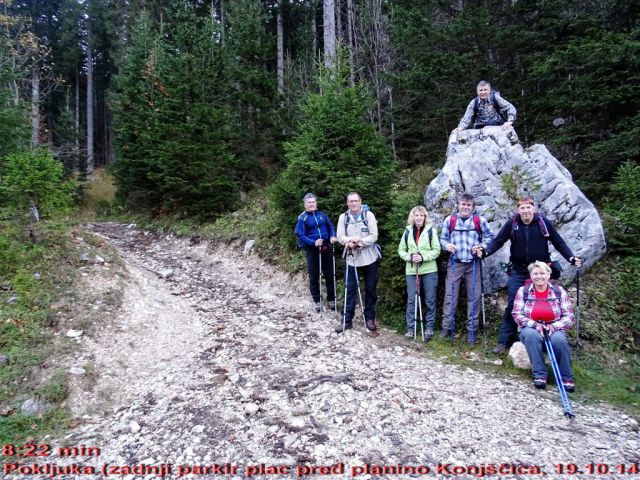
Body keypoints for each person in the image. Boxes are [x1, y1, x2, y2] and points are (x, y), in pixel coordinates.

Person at [479, 197, 583, 354]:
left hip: (540, 271)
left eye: (528, 207)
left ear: (533, 209)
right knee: (514, 304)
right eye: (522, 208)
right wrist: (486, 252)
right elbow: (498, 241)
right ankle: (504, 341)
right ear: (518, 210)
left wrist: (571, 258)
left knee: (545, 304)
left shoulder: (542, 223)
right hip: (519, 271)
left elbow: (559, 242)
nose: (526, 211)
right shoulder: (513, 223)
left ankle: (547, 342)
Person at [513, 261, 576, 392]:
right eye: (535, 273)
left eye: (542, 273)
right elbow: (516, 314)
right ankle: (540, 375)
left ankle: (566, 377)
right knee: (531, 336)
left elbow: (569, 316)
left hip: (554, 327)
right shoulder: (523, 291)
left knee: (559, 341)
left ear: (548, 275)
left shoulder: (559, 291)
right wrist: (534, 324)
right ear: (531, 276)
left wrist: (555, 326)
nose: (539, 276)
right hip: (531, 327)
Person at [440, 193, 494, 344]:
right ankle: (446, 328)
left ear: (473, 207)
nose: (465, 207)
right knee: (450, 296)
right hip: (455, 262)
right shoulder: (450, 220)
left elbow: (490, 237)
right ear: (458, 205)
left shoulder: (480, 221)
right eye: (463, 204)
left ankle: (472, 331)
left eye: (468, 205)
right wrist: (446, 245)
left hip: (473, 263)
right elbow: (443, 239)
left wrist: (480, 246)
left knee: (474, 297)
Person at [335, 192, 381, 333]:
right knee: (350, 289)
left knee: (371, 288)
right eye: (350, 201)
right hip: (352, 257)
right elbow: (340, 236)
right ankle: (346, 320)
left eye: (356, 201)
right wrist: (349, 241)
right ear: (347, 203)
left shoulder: (369, 215)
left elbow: (374, 235)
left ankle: (369, 318)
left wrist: (359, 242)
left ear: (360, 201)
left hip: (369, 257)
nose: (353, 203)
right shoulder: (343, 217)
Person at [397, 206, 441, 341]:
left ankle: (429, 328)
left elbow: (437, 250)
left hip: (429, 270)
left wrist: (422, 256)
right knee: (412, 299)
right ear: (413, 217)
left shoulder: (431, 231)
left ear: (425, 217)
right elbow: (401, 250)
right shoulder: (407, 231)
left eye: (422, 215)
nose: (419, 218)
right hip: (411, 270)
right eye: (416, 215)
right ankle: (410, 328)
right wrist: (410, 257)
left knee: (430, 299)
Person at [294, 193, 337, 312]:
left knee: (330, 275)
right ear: (305, 205)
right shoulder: (302, 218)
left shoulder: (322, 215)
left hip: (326, 248)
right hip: (312, 250)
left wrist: (333, 236)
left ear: (316, 203)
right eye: (309, 202)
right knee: (314, 276)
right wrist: (313, 243)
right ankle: (318, 301)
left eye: (313, 202)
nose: (312, 204)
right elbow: (300, 234)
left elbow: (331, 228)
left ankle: (331, 300)